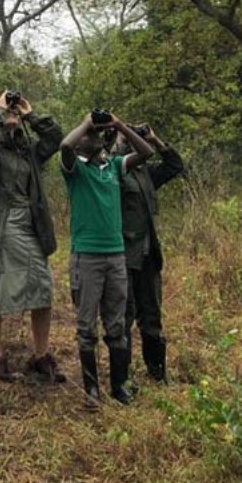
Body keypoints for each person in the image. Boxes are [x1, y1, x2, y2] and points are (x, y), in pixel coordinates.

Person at [0, 89, 67, 383]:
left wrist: (30, 114)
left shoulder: (27, 149)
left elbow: (55, 140)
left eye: (13, 111)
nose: (11, 114)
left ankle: (40, 356)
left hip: (30, 223)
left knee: (43, 287)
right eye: (7, 111)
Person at [61, 112, 153, 407]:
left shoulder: (114, 166)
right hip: (86, 256)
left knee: (116, 324)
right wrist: (87, 123)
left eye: (97, 134)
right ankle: (91, 389)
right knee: (86, 326)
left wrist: (118, 125)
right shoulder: (75, 170)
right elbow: (64, 146)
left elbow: (146, 152)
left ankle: (118, 386)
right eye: (89, 135)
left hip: (116, 255)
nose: (94, 137)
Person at [114, 123, 184, 383]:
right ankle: (123, 375)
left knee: (152, 314)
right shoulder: (114, 170)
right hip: (123, 254)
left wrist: (155, 139)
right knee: (124, 316)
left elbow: (175, 165)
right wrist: (118, 138)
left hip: (148, 253)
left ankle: (156, 371)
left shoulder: (145, 174)